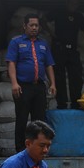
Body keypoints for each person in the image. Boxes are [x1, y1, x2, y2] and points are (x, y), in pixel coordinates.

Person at [6, 14, 57, 152]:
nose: (34, 28)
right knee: (22, 119)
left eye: (36, 25)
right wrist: (14, 83)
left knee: (39, 121)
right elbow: (11, 63)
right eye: (31, 25)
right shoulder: (16, 42)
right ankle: (20, 150)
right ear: (24, 26)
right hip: (23, 87)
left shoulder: (43, 44)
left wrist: (52, 84)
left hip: (39, 87)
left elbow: (49, 65)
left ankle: (38, 149)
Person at [51, 0, 84, 109]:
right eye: (72, 3)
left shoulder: (78, 16)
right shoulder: (58, 13)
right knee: (59, 77)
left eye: (76, 4)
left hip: (72, 50)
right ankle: (61, 104)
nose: (74, 6)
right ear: (66, 2)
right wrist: (50, 33)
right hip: (59, 49)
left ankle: (76, 103)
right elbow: (42, 20)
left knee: (77, 77)